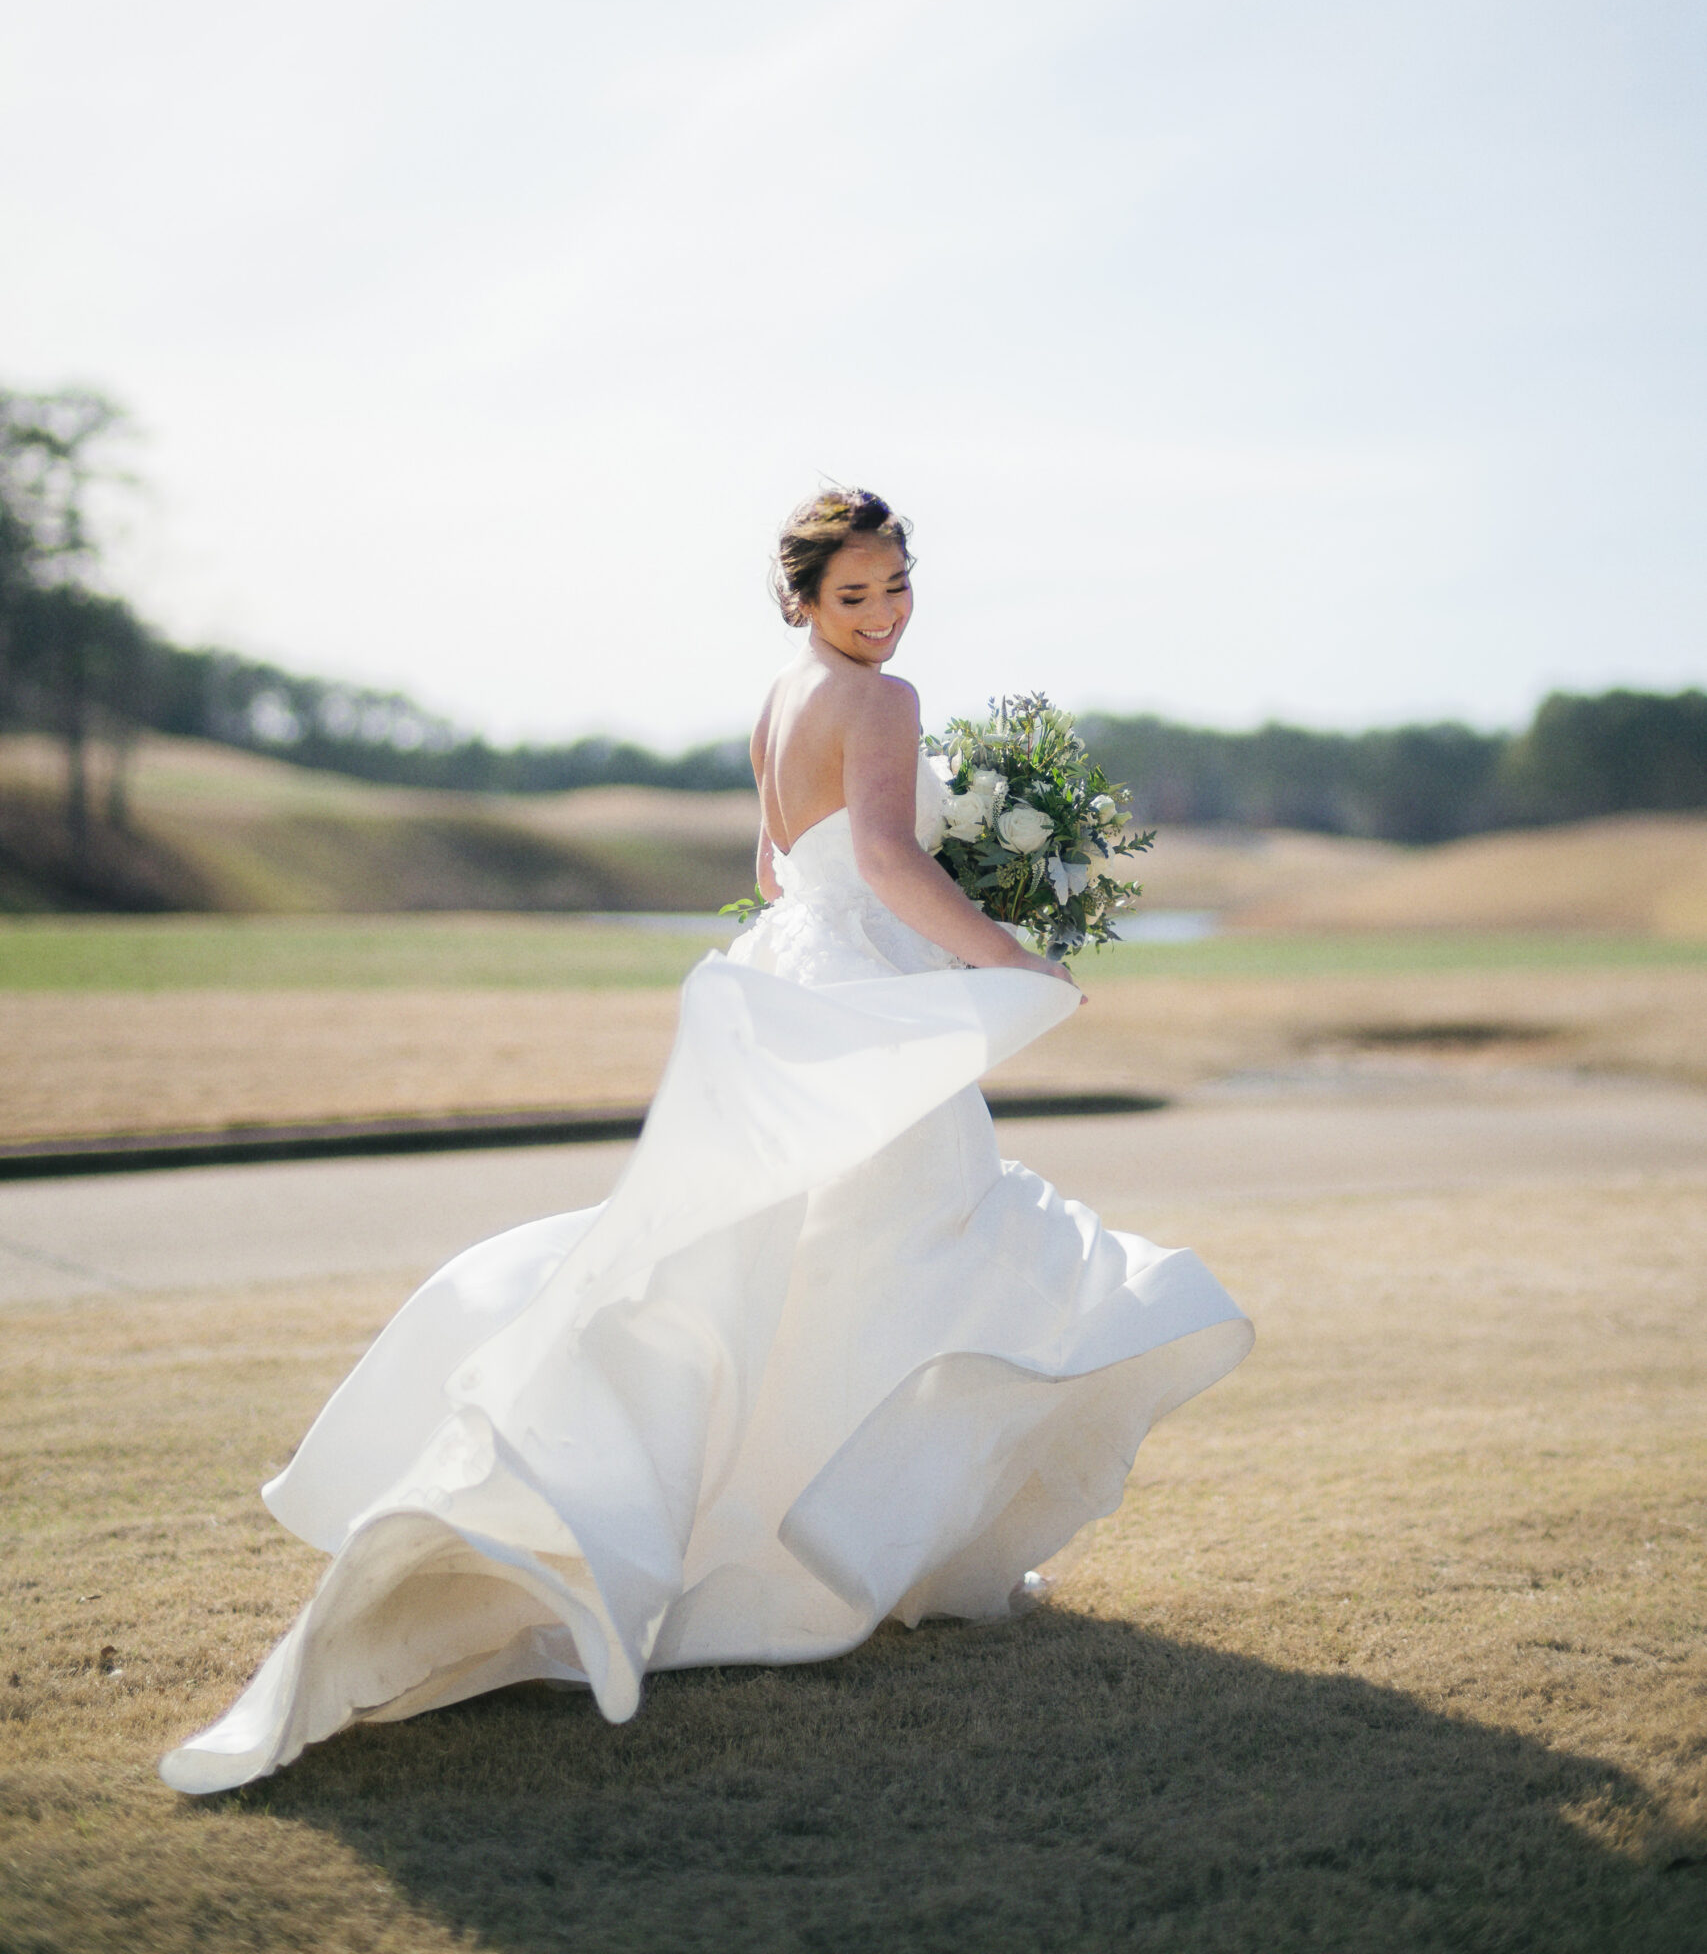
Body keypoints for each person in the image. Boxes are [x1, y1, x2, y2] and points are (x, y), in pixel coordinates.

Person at [161, 488, 1252, 1795]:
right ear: (802, 599)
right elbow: (887, 860)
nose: (885, 616)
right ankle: (856, 1550)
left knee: (828, 1259)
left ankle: (867, 1541)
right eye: (855, 596)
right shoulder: (885, 703)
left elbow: (781, 871)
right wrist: (1008, 956)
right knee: (914, 1245)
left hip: (789, 981)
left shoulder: (778, 702)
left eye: (898, 586)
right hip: (858, 989)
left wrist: (902, 909)